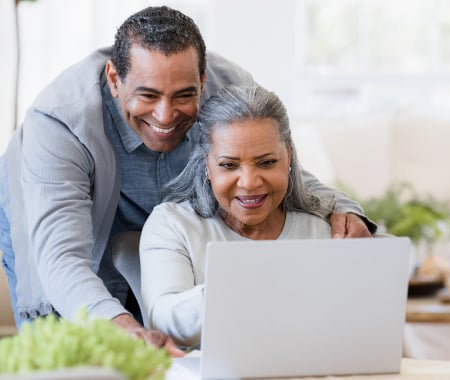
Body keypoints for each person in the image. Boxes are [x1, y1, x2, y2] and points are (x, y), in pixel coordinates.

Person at [0, 6, 374, 354]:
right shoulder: (60, 120)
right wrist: (120, 325)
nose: (165, 116)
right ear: (115, 78)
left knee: (162, 350)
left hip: (162, 215)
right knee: (74, 348)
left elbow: (269, 162)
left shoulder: (229, 86)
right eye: (147, 95)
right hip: (62, 218)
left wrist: (340, 207)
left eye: (184, 95)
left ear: (203, 77)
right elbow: (62, 259)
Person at [140, 85, 334, 347]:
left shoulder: (323, 228)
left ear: (288, 156)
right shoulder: (173, 225)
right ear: (207, 165)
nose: (250, 182)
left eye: (266, 162)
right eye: (228, 165)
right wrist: (236, 288)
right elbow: (164, 320)